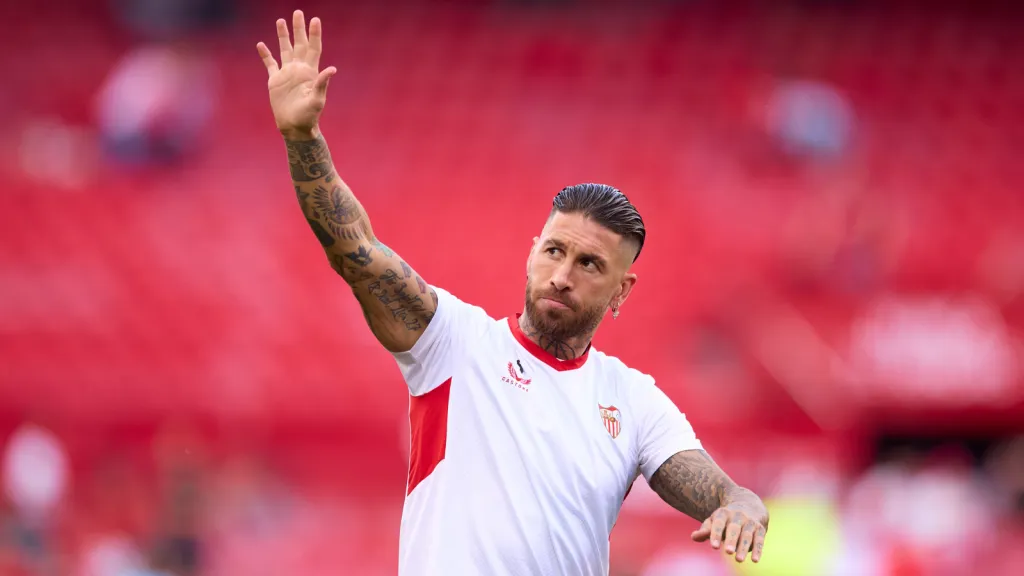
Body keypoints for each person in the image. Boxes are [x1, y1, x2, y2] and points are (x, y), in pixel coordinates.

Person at [256, 11, 769, 575]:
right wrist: (303, 138)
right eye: (553, 251)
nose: (562, 274)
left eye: (588, 263)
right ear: (532, 251)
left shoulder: (633, 400)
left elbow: (718, 490)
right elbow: (355, 251)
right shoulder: (453, 343)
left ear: (622, 290)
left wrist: (741, 504)